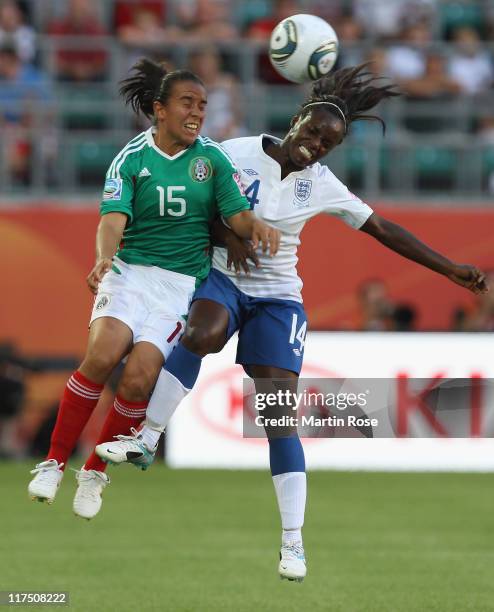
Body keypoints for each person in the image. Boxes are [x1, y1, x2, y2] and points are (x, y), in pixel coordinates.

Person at [96, 64, 488, 581]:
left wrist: (451, 270)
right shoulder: (231, 153)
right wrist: (227, 234)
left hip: (279, 299)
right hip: (222, 280)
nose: (317, 145)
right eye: (314, 132)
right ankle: (148, 436)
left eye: (329, 142)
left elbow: (384, 229)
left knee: (278, 413)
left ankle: (293, 543)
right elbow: (193, 207)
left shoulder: (322, 184)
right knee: (202, 331)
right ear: (297, 119)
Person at [27, 58, 279, 519]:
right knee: (103, 356)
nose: (197, 113)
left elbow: (236, 214)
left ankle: (95, 470)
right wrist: (104, 257)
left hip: (179, 287)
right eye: (187, 103)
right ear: (159, 110)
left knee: (140, 378)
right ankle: (53, 463)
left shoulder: (212, 159)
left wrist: (255, 224)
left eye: (202, 106)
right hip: (130, 273)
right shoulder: (132, 157)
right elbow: (111, 219)